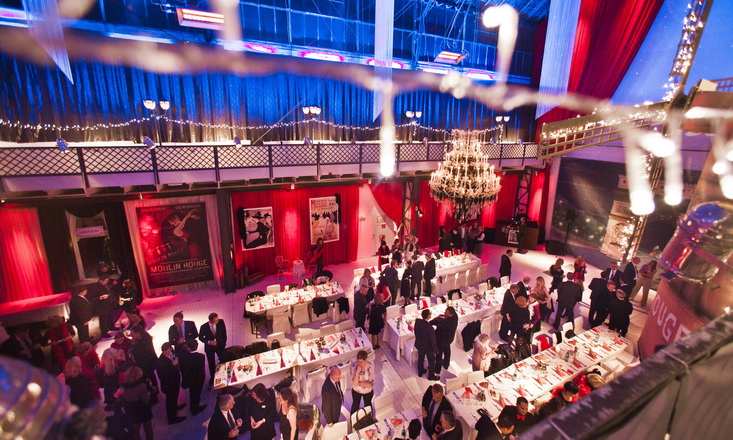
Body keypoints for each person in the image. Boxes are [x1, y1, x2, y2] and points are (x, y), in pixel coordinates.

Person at [119, 365, 154, 440]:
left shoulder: (123, 386)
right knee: (148, 428)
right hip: (143, 410)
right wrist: (149, 391)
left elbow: (121, 397)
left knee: (135, 431)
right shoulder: (142, 386)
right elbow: (145, 401)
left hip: (131, 410)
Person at [156, 342, 187, 424]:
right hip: (169, 385)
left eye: (168, 352)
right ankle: (172, 419)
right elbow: (163, 376)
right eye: (164, 353)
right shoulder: (160, 362)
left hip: (175, 381)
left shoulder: (172, 354)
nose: (166, 354)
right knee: (170, 401)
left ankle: (175, 407)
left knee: (174, 397)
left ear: (171, 349)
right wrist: (173, 365)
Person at [178, 339, 208, 416]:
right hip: (198, 380)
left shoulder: (183, 356)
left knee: (192, 393)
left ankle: (192, 407)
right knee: (197, 394)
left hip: (188, 379)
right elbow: (201, 371)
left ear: (188, 348)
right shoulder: (201, 357)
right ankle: (195, 409)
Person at [199, 312, 227, 385]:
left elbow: (224, 334)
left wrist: (223, 344)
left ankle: (224, 373)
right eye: (216, 321)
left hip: (220, 346)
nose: (217, 321)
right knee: (211, 362)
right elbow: (200, 337)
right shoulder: (204, 327)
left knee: (223, 359)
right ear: (211, 321)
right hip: (209, 348)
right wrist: (208, 342)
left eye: (217, 319)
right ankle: (213, 376)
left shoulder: (221, 322)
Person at [431, 307, 458, 375]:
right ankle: (446, 364)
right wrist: (444, 317)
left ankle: (437, 369)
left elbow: (440, 328)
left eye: (446, 312)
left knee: (439, 354)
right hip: (449, 338)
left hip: (442, 340)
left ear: (450, 314)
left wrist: (439, 320)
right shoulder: (455, 316)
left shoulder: (447, 323)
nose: (444, 312)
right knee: (447, 350)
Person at [415, 309, 438, 380]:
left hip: (420, 344)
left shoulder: (417, 322)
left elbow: (416, 332)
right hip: (428, 347)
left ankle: (420, 372)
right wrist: (435, 350)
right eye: (430, 314)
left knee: (421, 358)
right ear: (428, 316)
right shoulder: (430, 328)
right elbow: (432, 341)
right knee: (432, 361)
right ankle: (431, 375)